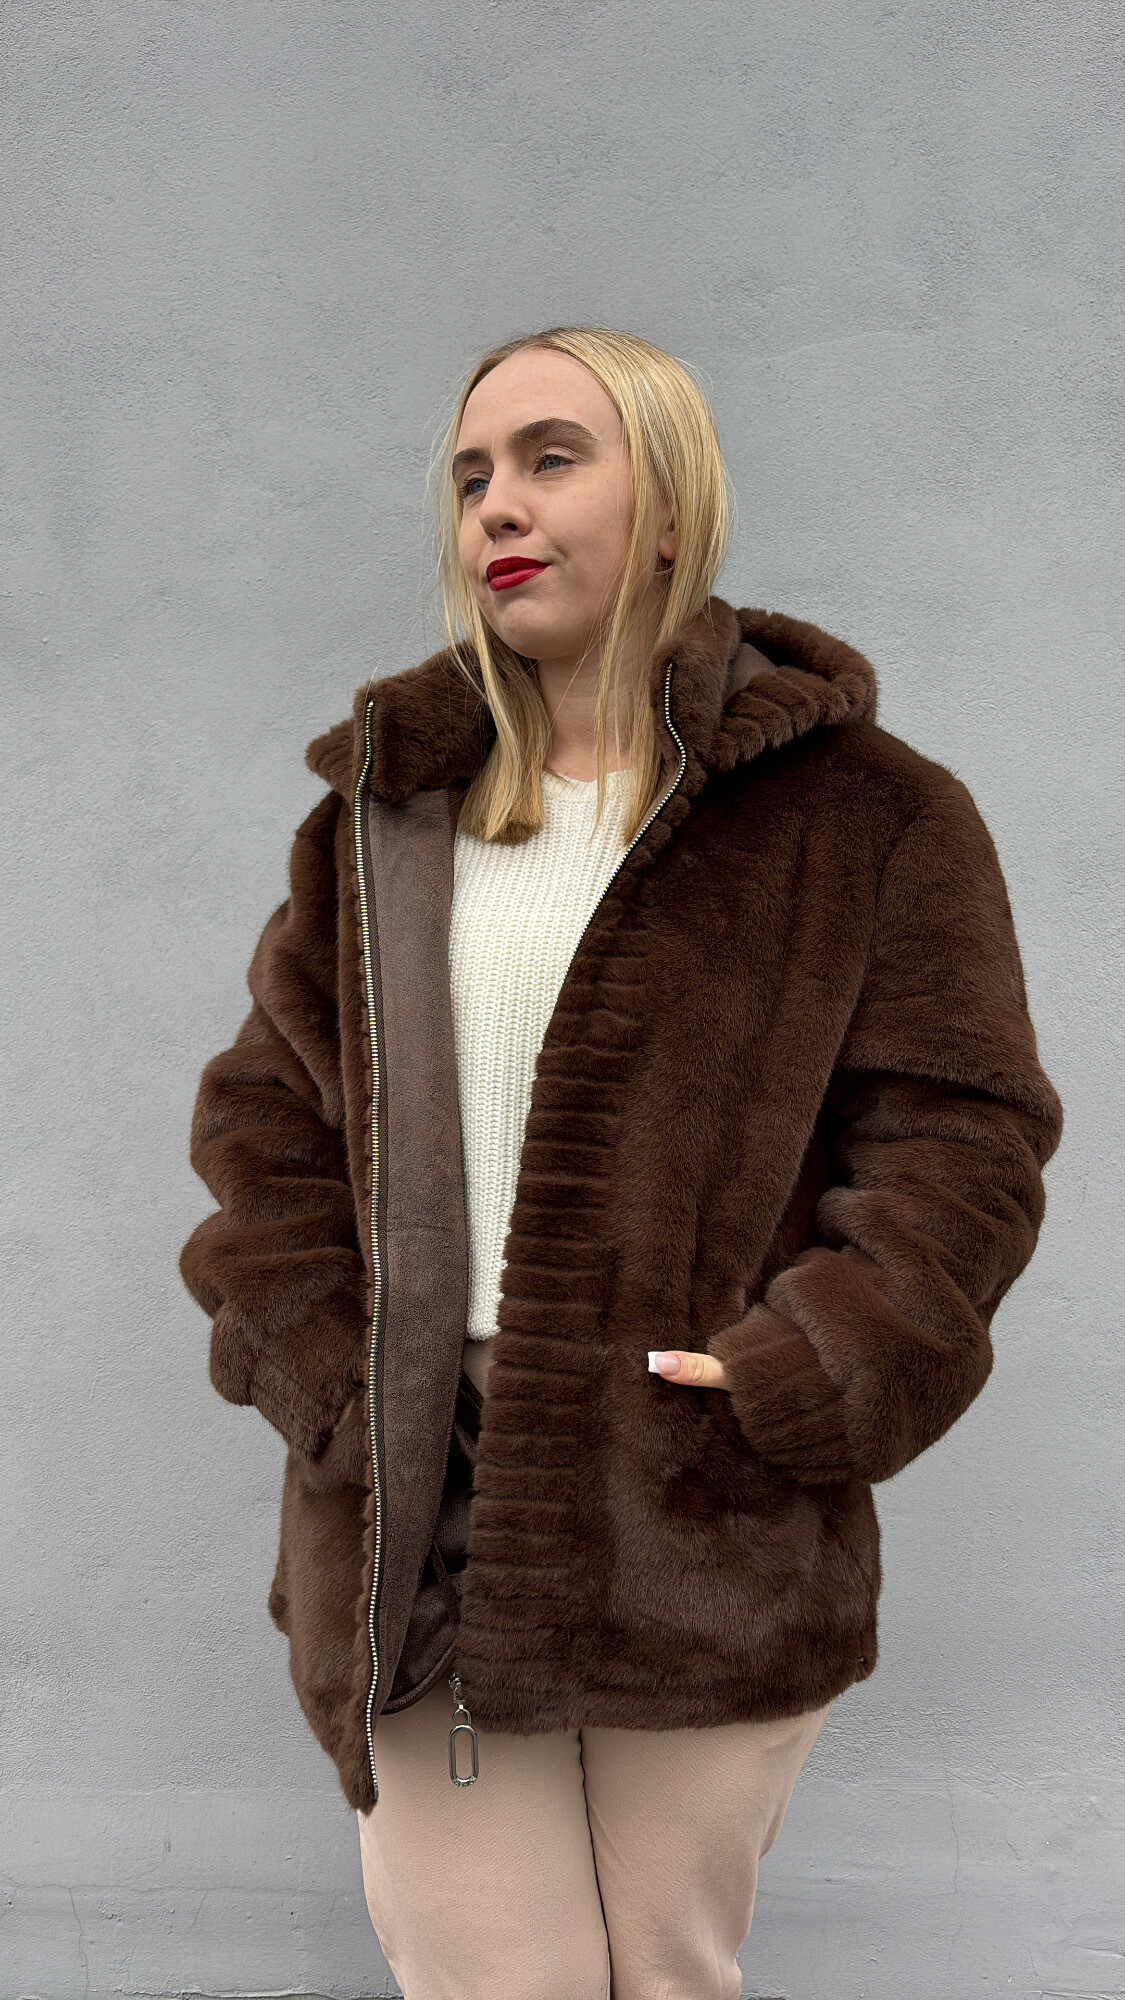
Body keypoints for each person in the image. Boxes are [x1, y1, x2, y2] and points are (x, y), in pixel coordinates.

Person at [180, 325, 1064, 2000]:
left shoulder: (865, 815)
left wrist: (804, 1366)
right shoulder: (385, 820)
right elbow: (264, 1125)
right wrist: (328, 1373)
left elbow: (963, 1135)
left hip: (697, 1506)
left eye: (548, 458)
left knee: (665, 1977)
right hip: (417, 1509)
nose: (495, 507)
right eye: (469, 477)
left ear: (666, 507)